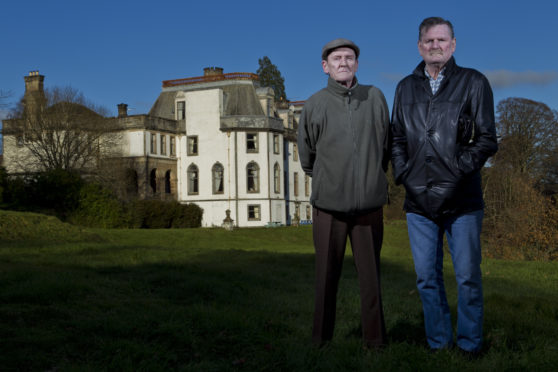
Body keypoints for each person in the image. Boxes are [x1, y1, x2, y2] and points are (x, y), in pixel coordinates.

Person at [390, 17, 498, 355]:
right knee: (426, 278)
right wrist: (405, 174)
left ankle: (469, 345)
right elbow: (395, 139)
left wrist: (457, 173)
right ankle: (439, 344)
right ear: (419, 46)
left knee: (467, 278)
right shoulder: (405, 87)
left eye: (442, 40)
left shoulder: (474, 82)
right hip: (418, 202)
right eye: (429, 40)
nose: (436, 46)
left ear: (453, 44)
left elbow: (486, 140)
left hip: (462, 200)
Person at [298, 38, 390, 348]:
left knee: (371, 279)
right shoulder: (314, 104)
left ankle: (375, 341)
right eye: (336, 58)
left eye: (349, 57)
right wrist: (330, 180)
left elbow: (386, 146)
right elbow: (307, 157)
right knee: (325, 278)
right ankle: (320, 340)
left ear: (357, 64)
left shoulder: (375, 97)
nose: (343, 62)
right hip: (329, 207)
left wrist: (371, 177)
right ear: (325, 66)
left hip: (368, 206)